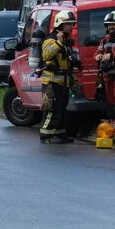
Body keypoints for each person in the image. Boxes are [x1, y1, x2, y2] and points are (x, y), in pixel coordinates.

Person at [39, 10, 80, 144]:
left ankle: (60, 133)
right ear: (59, 24)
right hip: (52, 82)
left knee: (62, 109)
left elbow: (67, 63)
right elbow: (46, 55)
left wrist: (74, 80)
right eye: (67, 24)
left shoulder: (67, 41)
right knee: (52, 109)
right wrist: (59, 43)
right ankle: (45, 135)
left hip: (64, 81)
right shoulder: (50, 39)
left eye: (71, 24)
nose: (70, 27)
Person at [94, 11, 115, 137]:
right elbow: (97, 53)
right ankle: (112, 127)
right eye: (109, 25)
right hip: (107, 75)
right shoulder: (104, 41)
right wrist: (98, 56)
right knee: (110, 102)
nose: (110, 27)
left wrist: (113, 55)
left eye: (113, 25)